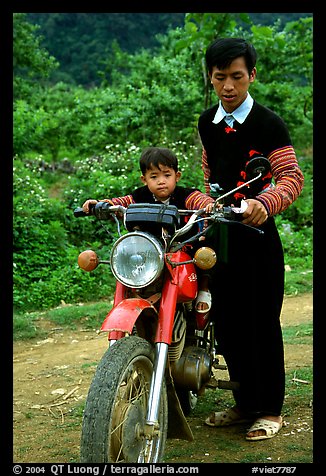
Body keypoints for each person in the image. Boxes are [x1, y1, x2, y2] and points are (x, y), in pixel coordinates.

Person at [197, 37, 304, 441]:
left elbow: (292, 178)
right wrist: (205, 202)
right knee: (227, 324)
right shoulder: (207, 122)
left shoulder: (269, 123)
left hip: (258, 241)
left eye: (236, 77)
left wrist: (266, 201)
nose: (228, 86)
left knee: (261, 324)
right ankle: (244, 405)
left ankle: (270, 410)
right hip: (219, 240)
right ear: (210, 77)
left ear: (251, 76)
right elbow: (210, 175)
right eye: (220, 77)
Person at [83, 146, 215, 316]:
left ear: (177, 176)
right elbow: (121, 202)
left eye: (167, 175)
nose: (161, 181)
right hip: (149, 252)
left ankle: (204, 288)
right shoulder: (139, 196)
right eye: (154, 176)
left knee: (204, 252)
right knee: (128, 257)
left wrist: (210, 205)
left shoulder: (186, 195)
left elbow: (199, 200)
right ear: (144, 179)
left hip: (183, 248)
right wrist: (102, 205)